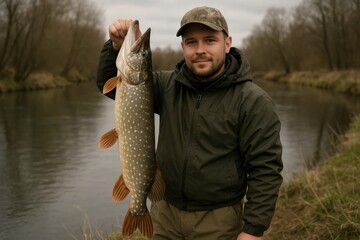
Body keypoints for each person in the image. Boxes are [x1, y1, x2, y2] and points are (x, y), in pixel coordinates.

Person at [96, 6, 283, 240]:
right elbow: (107, 85)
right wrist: (114, 47)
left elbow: (266, 169)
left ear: (227, 43)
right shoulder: (165, 86)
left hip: (218, 220)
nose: (200, 50)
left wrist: (253, 230)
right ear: (183, 47)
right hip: (165, 213)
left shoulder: (252, 101)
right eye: (192, 42)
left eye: (210, 40)